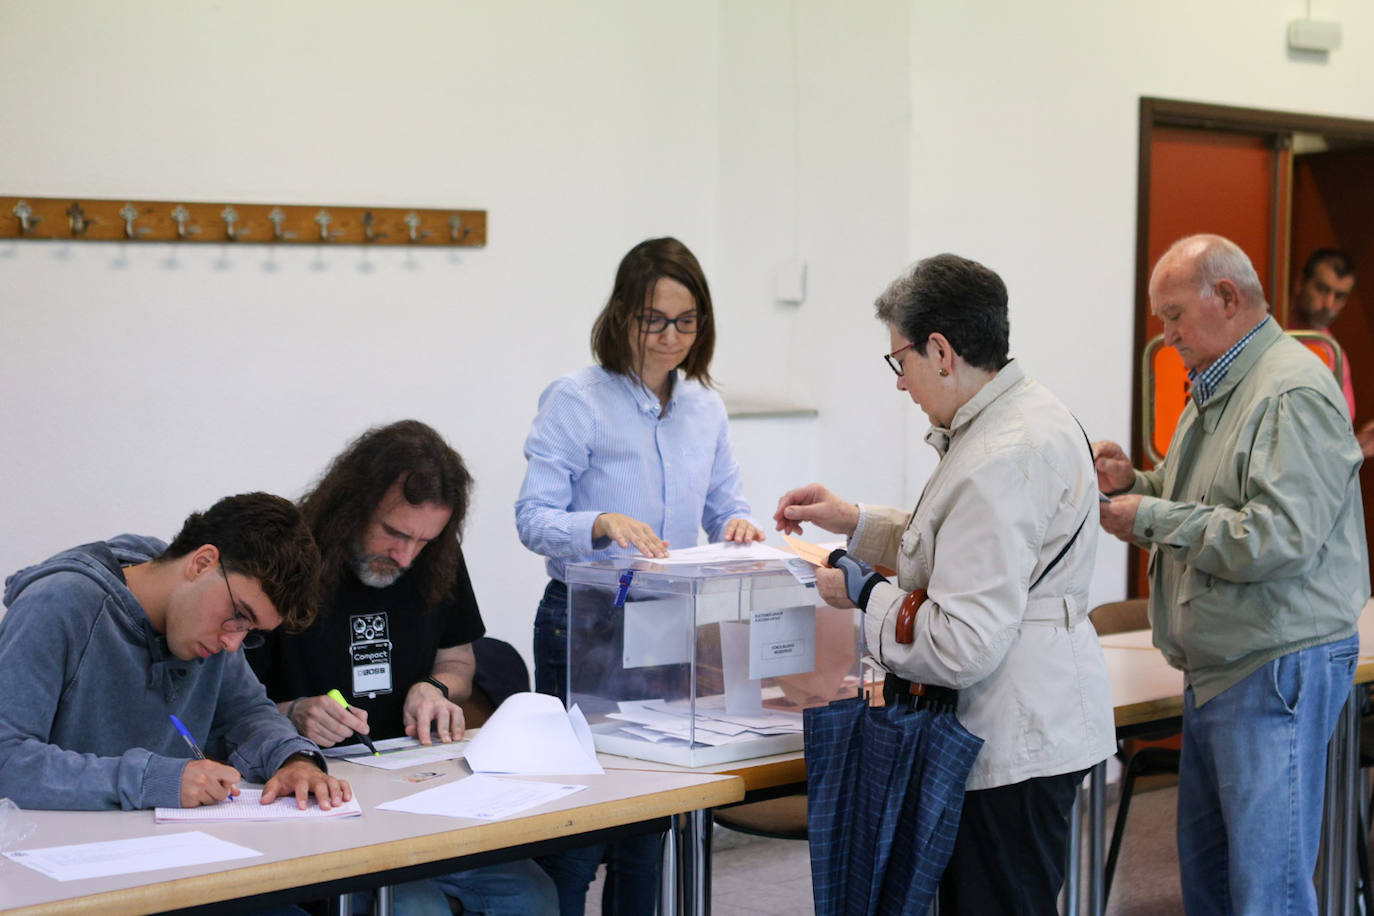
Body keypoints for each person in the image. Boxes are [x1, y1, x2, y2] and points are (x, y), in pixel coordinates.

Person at [774, 253, 1115, 914]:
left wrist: (863, 594)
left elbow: (960, 642)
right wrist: (854, 521)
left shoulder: (1001, 454)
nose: (900, 384)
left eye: (898, 362)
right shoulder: (1019, 417)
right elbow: (967, 547)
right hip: (1027, 719)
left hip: (1010, 737)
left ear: (940, 350)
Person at [1095, 234, 1368, 914]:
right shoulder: (1220, 385)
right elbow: (1210, 502)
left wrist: (1150, 517)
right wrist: (1138, 481)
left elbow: (1276, 537)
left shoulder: (1291, 390)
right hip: (1226, 664)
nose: (1165, 333)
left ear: (1226, 297)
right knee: (1217, 885)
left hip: (1271, 665)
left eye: (1173, 314)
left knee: (1266, 893)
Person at [515, 236, 765, 915]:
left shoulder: (704, 408)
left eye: (687, 322)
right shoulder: (576, 399)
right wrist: (599, 522)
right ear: (623, 314)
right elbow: (532, 516)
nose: (670, 336)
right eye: (655, 319)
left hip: (666, 620)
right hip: (586, 619)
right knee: (580, 821)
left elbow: (726, 506)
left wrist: (738, 525)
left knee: (649, 819)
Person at [248, 420, 557, 916]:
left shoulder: (437, 556)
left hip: (415, 784)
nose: (407, 555)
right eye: (394, 533)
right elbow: (235, 704)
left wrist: (436, 688)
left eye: (424, 540)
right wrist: (295, 713)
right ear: (353, 506)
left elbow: (459, 659)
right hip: (321, 789)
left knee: (533, 894)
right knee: (413, 906)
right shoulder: (287, 560)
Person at [0, 492, 350, 813]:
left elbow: (246, 714)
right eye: (239, 615)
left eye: (249, 631)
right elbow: (6, 758)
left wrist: (294, 759)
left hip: (173, 852)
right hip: (56, 861)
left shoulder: (213, 629)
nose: (232, 643)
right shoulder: (57, 605)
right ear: (201, 563)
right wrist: (153, 779)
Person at [1288, 248, 1374, 454]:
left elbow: (1337, 434)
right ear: (1301, 282)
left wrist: (1360, 444)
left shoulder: (1333, 354)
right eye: (1322, 289)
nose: (1329, 304)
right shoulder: (1266, 325)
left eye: (1340, 296)